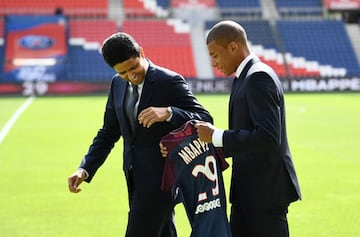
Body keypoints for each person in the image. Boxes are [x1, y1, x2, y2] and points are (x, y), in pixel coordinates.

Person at [67, 32, 213, 237]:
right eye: (123, 72)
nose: (131, 75)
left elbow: (204, 118)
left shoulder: (168, 81)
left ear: (142, 53)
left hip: (163, 180)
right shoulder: (117, 85)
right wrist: (85, 168)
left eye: (133, 67)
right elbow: (108, 133)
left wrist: (169, 113)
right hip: (134, 178)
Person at [194, 20, 302, 237]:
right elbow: (246, 134)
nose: (213, 63)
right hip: (248, 191)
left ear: (233, 47)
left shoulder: (258, 77)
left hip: (265, 192)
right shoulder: (244, 77)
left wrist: (217, 136)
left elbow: (268, 137)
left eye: (215, 55)